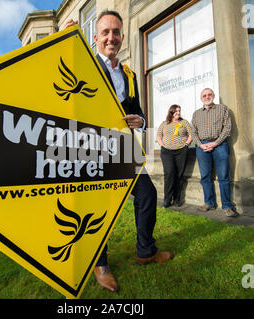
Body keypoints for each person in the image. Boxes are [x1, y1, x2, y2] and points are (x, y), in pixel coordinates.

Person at [65, 10, 173, 293]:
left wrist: (143, 121)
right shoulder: (83, 63)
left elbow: (135, 110)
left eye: (115, 32)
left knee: (147, 193)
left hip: (123, 147)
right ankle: (100, 264)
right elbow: (57, 73)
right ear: (96, 37)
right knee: (95, 206)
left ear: (122, 37)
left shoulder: (129, 74)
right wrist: (65, 38)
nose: (110, 37)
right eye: (105, 32)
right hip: (91, 148)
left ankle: (145, 250)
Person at [191, 88, 239, 218]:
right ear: (201, 98)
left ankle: (227, 206)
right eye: (204, 95)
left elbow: (227, 128)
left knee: (223, 177)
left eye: (209, 94)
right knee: (205, 176)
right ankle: (209, 202)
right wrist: (201, 145)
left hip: (220, 145)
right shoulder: (196, 114)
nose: (207, 97)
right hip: (202, 147)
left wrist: (216, 143)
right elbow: (193, 132)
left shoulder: (222, 109)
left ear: (213, 96)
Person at [156, 105, 192, 208]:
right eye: (176, 111)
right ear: (171, 112)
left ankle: (177, 199)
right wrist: (162, 145)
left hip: (181, 151)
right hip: (167, 152)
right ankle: (167, 199)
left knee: (179, 175)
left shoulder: (184, 122)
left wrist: (186, 144)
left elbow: (191, 134)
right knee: (169, 173)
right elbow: (159, 136)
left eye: (179, 111)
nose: (178, 112)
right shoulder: (164, 123)